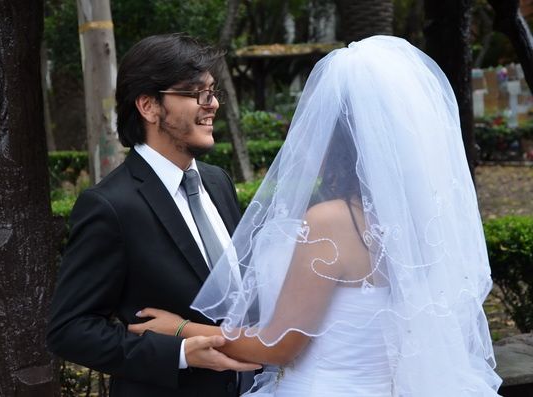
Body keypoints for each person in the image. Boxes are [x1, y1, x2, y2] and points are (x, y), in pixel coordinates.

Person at [127, 36, 503, 396]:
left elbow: (279, 346)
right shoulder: (415, 223)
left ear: (335, 135)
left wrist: (180, 329)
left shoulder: (331, 222)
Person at [46, 33, 260, 397]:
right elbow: (69, 329)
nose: (211, 105)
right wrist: (177, 352)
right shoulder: (110, 205)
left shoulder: (217, 181)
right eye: (196, 94)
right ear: (148, 106)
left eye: (212, 93)